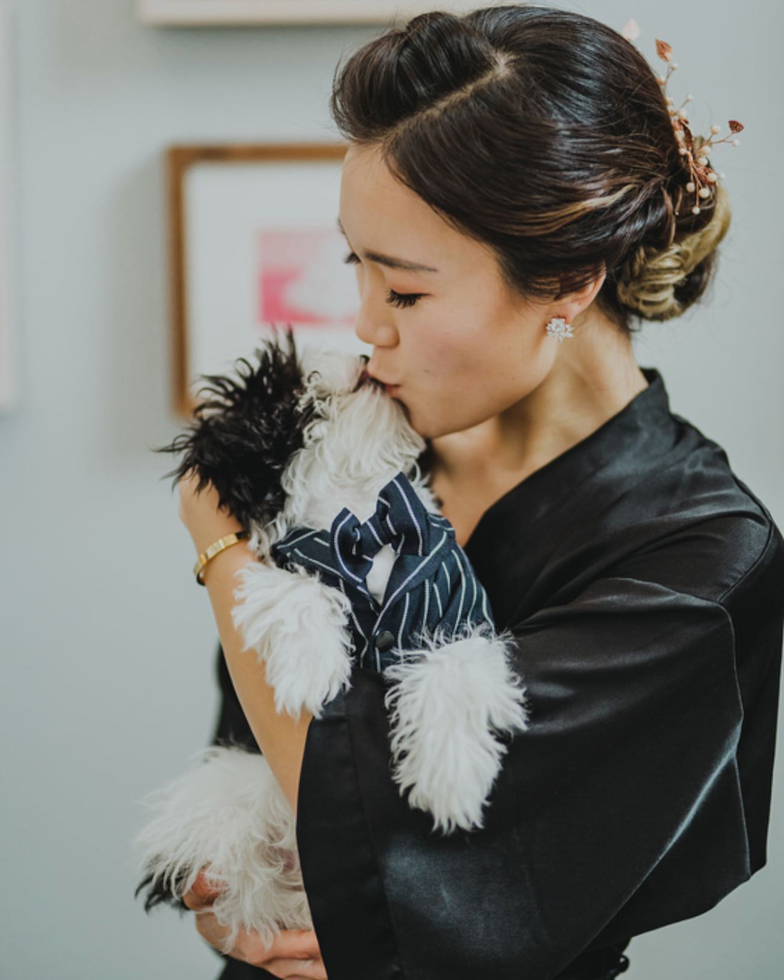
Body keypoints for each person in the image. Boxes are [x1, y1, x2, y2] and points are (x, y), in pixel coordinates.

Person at [176, 6, 784, 979]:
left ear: (570, 279)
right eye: (356, 267)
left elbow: (393, 837)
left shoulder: (698, 555)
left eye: (406, 292)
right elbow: (262, 773)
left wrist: (219, 545)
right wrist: (237, 894)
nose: (365, 324)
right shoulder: (357, 454)